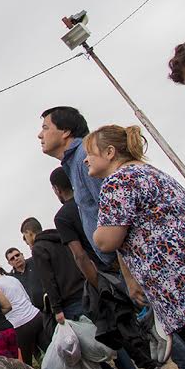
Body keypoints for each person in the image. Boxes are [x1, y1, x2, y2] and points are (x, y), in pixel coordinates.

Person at [87, 124, 185, 359]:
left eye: (90, 153)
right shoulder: (152, 172)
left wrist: (96, 233)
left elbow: (106, 241)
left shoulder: (116, 182)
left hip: (181, 290)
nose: (85, 160)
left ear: (110, 152)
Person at [50, 167, 164, 369]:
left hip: (104, 274)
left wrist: (97, 284)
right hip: (126, 260)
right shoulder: (92, 199)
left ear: (56, 189)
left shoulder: (63, 217)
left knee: (120, 327)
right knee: (155, 317)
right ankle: (173, 363)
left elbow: (80, 255)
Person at [38, 106, 116, 269]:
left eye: (45, 128)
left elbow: (114, 212)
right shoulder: (74, 162)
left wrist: (128, 274)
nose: (40, 135)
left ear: (65, 131)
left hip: (124, 260)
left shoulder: (85, 158)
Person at [0, 259, 45, 365]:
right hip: (36, 316)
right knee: (48, 349)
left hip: (19, 325)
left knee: (25, 364)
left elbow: (2, 307)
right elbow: (26, 297)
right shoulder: (11, 278)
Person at [6, 247, 46, 312]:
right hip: (34, 313)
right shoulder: (11, 278)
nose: (16, 258)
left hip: (50, 303)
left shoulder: (35, 261)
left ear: (22, 255)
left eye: (17, 255)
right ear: (9, 263)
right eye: (12, 258)